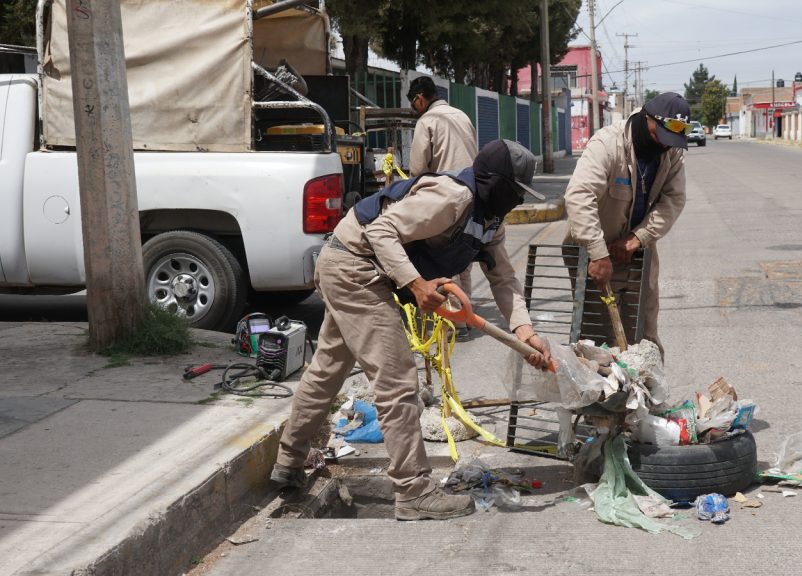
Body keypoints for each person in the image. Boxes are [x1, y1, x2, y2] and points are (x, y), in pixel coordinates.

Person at [270, 139, 551, 521]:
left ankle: (288, 463)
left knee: (328, 369)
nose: (517, 200)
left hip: (354, 266)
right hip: (356, 267)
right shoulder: (452, 197)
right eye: (515, 191)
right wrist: (416, 284)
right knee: (397, 380)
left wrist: (526, 332)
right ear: (495, 183)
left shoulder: (490, 220)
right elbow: (381, 232)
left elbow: (503, 278)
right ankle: (414, 490)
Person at [563, 92, 690, 354]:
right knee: (600, 342)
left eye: (671, 141)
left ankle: (645, 394)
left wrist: (638, 238)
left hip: (637, 254)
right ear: (647, 119)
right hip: (594, 253)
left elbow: (673, 200)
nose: (664, 146)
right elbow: (579, 196)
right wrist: (597, 253)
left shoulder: (672, 153)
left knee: (644, 338)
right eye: (660, 137)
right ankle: (606, 394)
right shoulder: (608, 144)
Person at [407, 76, 479, 338]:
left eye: (414, 104)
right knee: (464, 259)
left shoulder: (427, 121)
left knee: (445, 258)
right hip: (473, 193)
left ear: (420, 99)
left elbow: (417, 169)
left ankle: (457, 321)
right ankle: (467, 316)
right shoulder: (461, 115)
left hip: (446, 196)